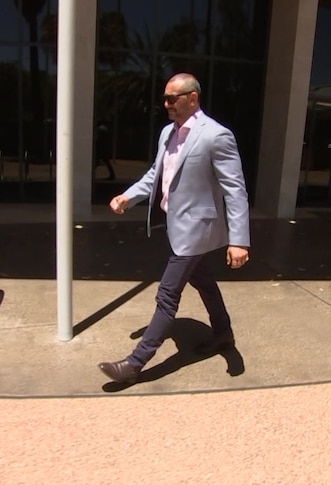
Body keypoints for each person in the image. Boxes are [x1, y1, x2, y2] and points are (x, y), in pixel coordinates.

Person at [98, 73, 251, 384]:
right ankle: (223, 334)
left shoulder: (216, 135)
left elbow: (235, 189)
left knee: (167, 295)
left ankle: (134, 364)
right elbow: (157, 173)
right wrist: (129, 196)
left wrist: (240, 241)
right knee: (204, 281)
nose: (165, 103)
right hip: (175, 225)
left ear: (192, 98)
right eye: (164, 98)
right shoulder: (168, 132)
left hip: (197, 229)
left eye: (172, 98)